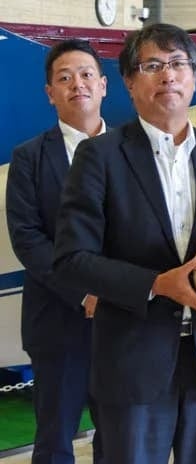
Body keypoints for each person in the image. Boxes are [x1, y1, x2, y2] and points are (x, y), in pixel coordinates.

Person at [52, 24, 196, 463]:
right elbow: (73, 258)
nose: (168, 75)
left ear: (195, 76)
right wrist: (158, 284)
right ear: (129, 82)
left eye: (178, 64)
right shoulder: (100, 156)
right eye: (152, 66)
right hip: (133, 359)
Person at [6, 40, 106, 464]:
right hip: (57, 321)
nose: (77, 84)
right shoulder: (29, 157)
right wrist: (84, 293)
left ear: (103, 85)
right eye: (64, 78)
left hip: (124, 322)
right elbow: (27, 238)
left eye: (86, 75)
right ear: (50, 93)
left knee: (120, 438)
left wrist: (119, 292)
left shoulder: (133, 150)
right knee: (54, 441)